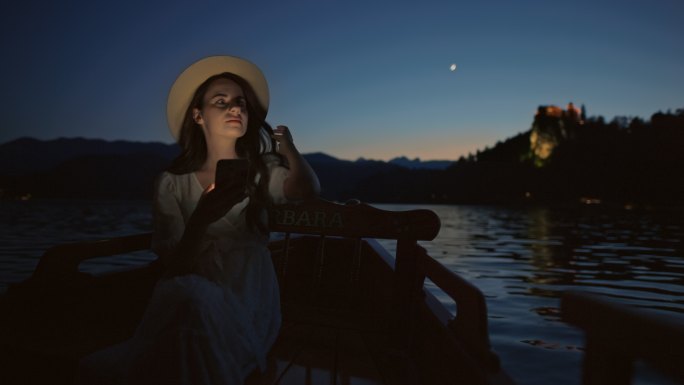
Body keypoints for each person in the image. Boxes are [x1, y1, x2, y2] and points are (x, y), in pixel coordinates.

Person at [77, 55, 320, 384]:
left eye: (240, 102)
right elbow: (174, 267)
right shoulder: (172, 182)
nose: (235, 108)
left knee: (189, 308)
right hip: (186, 295)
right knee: (189, 298)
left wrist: (287, 146)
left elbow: (306, 189)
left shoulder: (262, 171)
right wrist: (201, 218)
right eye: (221, 101)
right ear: (198, 115)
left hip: (249, 298)